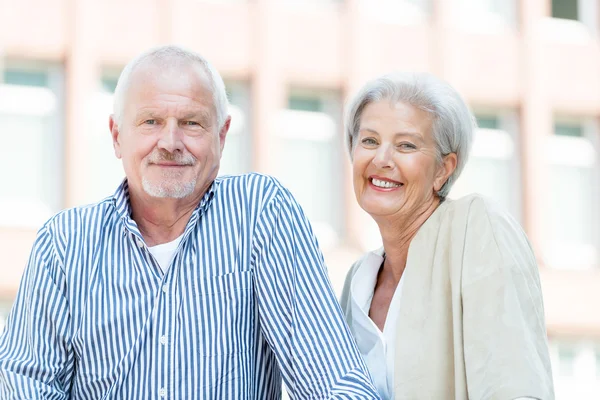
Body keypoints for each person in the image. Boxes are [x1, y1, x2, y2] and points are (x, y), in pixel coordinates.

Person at [0, 45, 380, 399]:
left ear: (222, 135)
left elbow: (333, 380)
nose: (170, 141)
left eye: (191, 123)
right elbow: (25, 384)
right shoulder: (65, 243)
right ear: (117, 136)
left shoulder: (260, 214)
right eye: (150, 121)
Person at [340, 72, 555, 399]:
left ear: (443, 169)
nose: (381, 159)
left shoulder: (477, 228)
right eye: (369, 140)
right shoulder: (358, 280)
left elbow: (514, 387)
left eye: (406, 145)